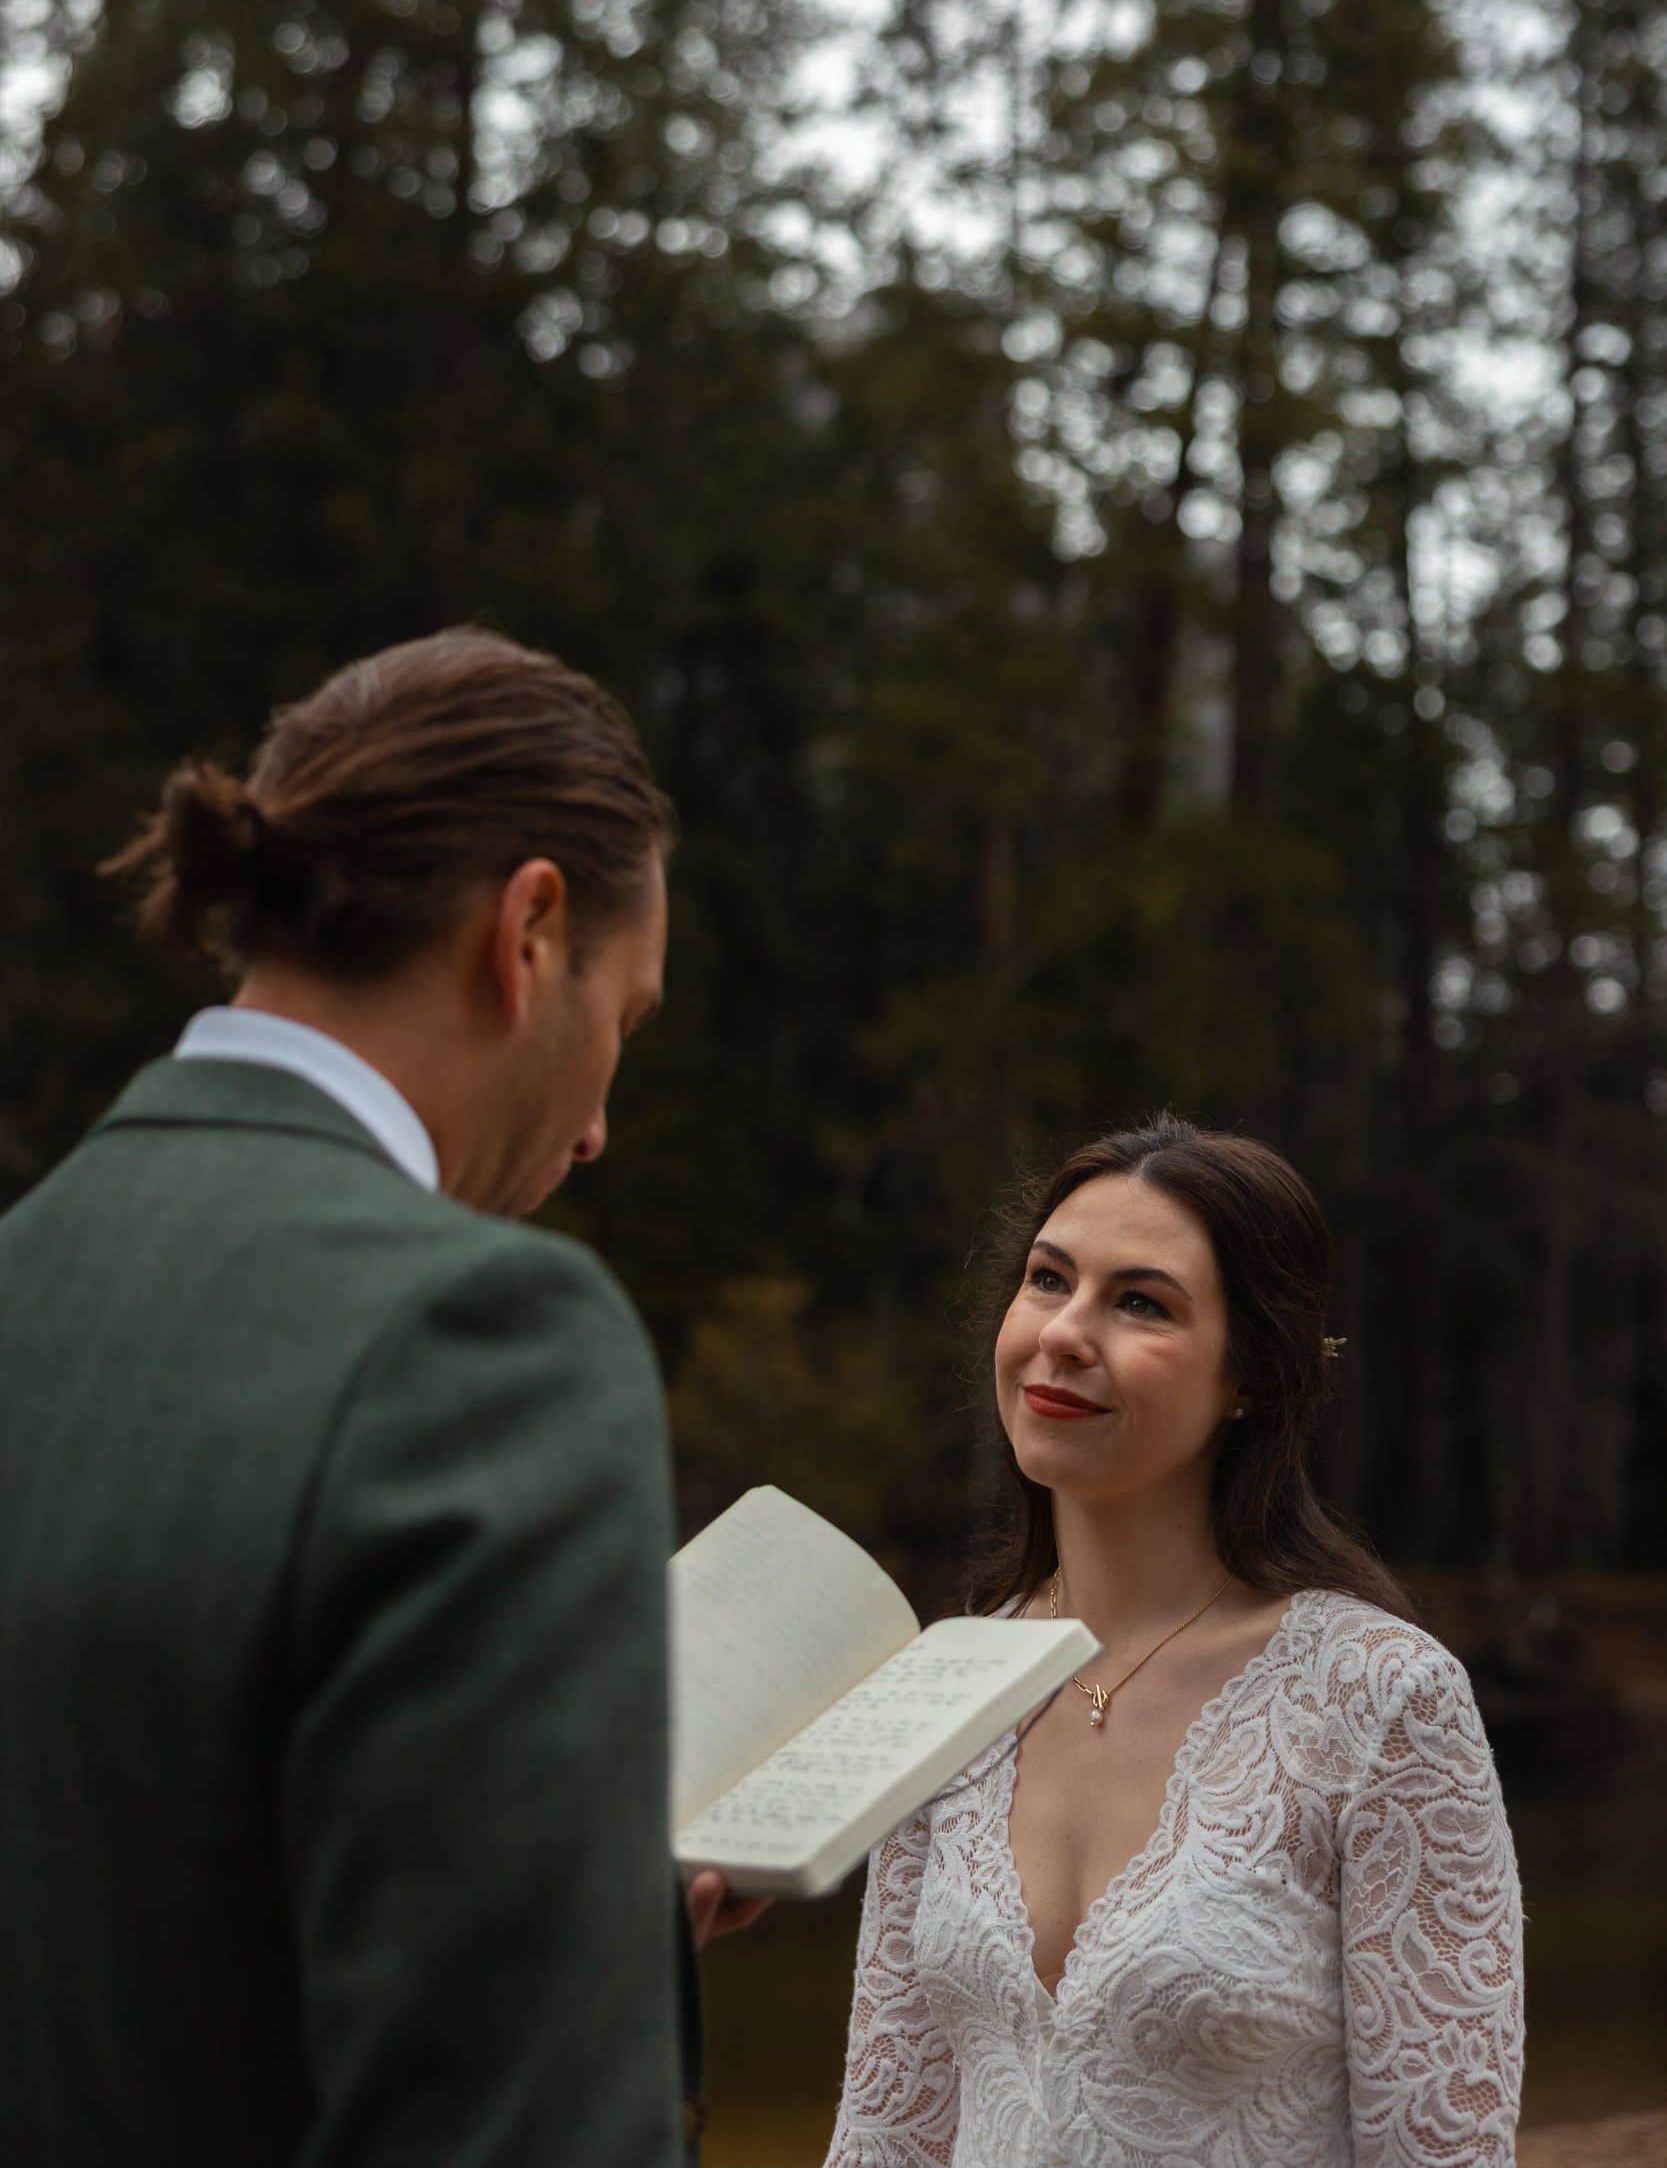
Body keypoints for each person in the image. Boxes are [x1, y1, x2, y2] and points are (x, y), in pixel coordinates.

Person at [0, 627, 750, 2168]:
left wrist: (574, 1902)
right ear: (529, 930)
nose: (600, 1125)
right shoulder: (479, 1338)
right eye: (629, 1018)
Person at [827, 1117, 1523, 2168]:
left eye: (1139, 1302)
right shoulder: (941, 1684)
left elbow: (1444, 2155)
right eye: (1047, 1279)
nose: (1064, 1331)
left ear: (1249, 1373)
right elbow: (883, 2135)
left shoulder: (1380, 1699)